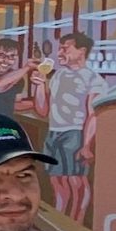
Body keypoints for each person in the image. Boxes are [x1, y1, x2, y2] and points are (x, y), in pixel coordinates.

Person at [41, 30, 97, 179]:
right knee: (55, 179)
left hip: (75, 134)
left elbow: (93, 115)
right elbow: (43, 110)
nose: (59, 53)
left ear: (82, 51)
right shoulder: (58, 75)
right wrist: (39, 84)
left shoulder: (92, 79)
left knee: (75, 180)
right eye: (59, 48)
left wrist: (86, 145)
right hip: (52, 132)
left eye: (64, 49)